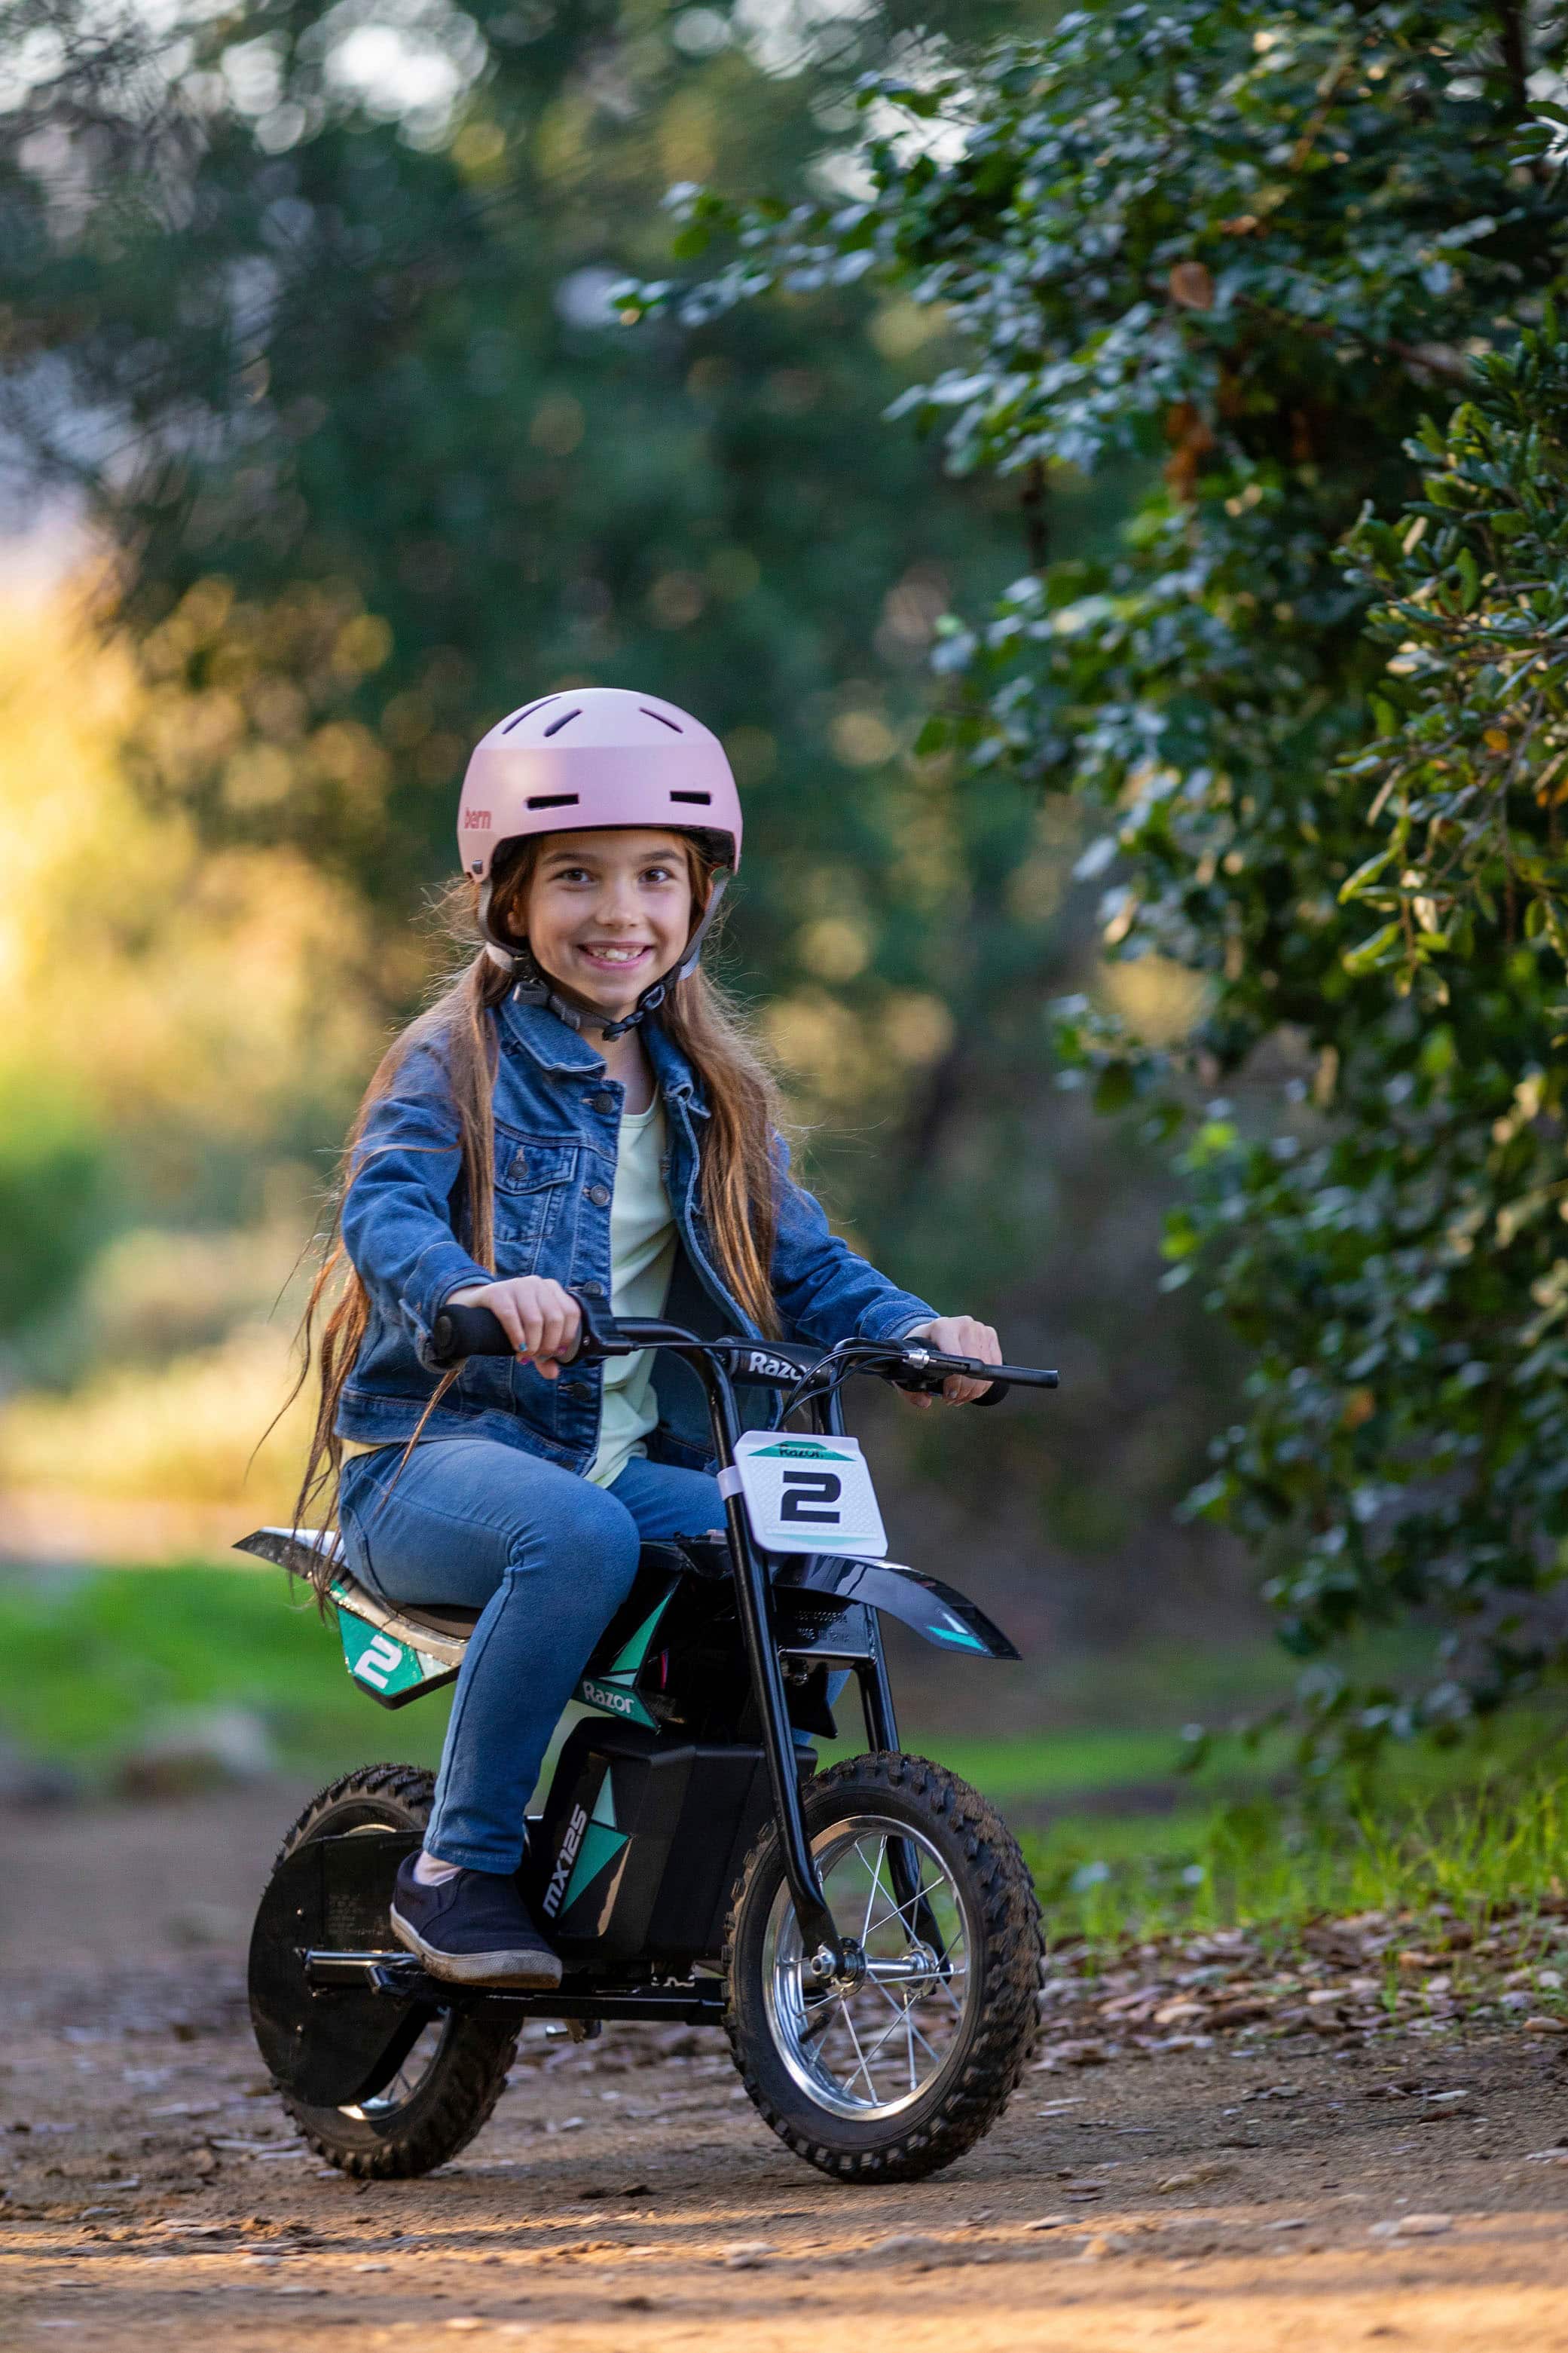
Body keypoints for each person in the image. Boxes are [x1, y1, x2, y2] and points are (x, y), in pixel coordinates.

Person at [294, 687, 1003, 1989]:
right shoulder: (450, 1060)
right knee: (578, 1532)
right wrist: (476, 1288)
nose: (619, 910)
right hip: (437, 1453)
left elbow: (807, 1263)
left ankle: (690, 1859)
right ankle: (454, 1869)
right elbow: (383, 1210)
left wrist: (918, 1330)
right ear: (509, 895)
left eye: (654, 877)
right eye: (577, 875)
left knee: (801, 1541)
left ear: (698, 899)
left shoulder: (709, 1087)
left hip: (617, 1456)